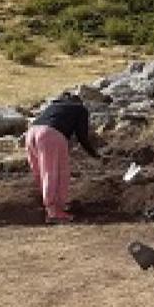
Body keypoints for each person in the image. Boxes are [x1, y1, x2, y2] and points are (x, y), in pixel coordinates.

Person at [25, 92, 100, 224]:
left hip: (31, 133)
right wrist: (95, 155)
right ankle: (55, 212)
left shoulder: (54, 106)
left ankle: (48, 205)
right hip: (51, 135)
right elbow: (82, 137)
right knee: (55, 173)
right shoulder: (80, 109)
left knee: (41, 172)